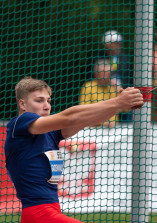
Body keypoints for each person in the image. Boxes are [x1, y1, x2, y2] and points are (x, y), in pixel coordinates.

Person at [4, 76, 143, 223]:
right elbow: (69, 117)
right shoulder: (19, 123)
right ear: (23, 104)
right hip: (39, 214)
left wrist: (118, 106)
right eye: (39, 101)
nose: (46, 106)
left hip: (47, 213)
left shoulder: (50, 133)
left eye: (48, 101)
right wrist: (117, 102)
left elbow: (87, 120)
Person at [79, 59, 120, 128]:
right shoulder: (88, 87)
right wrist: (102, 123)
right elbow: (83, 112)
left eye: (109, 74)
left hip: (115, 130)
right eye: (104, 73)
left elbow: (126, 109)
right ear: (96, 73)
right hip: (94, 130)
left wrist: (119, 90)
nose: (106, 77)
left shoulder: (113, 88)